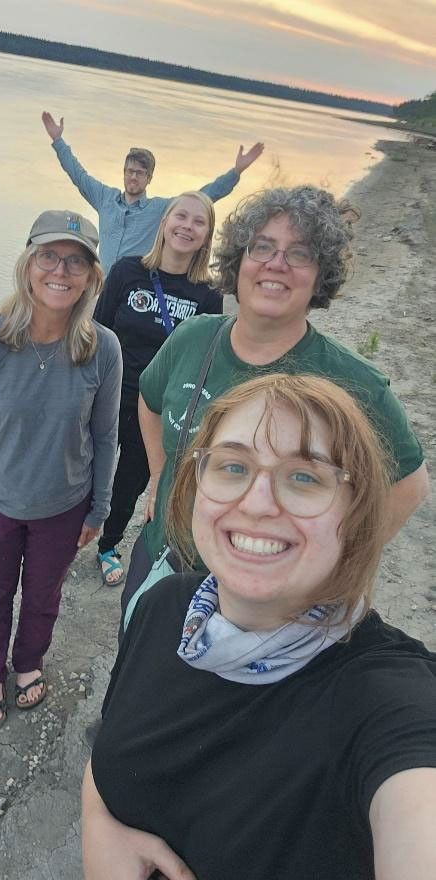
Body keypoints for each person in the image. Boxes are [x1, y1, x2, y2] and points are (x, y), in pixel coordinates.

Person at [83, 374, 436, 880]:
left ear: (356, 515)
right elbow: (115, 744)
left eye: (305, 477)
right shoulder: (166, 608)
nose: (256, 503)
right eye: (233, 466)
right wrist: (98, 819)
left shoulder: (385, 701)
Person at [122, 184, 428, 622]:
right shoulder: (193, 338)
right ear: (239, 261)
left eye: (299, 253)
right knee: (138, 657)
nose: (276, 264)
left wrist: (334, 565)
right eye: (262, 247)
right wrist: (158, 475)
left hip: (261, 601)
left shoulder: (350, 381)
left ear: (320, 276)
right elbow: (150, 401)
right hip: (162, 560)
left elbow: (409, 485)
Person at [0, 210, 122, 725]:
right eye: (49, 256)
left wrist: (100, 507)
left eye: (75, 262)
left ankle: (28, 663)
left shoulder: (103, 348)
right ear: (28, 264)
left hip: (64, 508)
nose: (60, 271)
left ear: (90, 277)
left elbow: (106, 436)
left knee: (44, 597)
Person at [93, 191, 222, 585]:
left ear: (206, 236)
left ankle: (108, 545)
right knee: (85, 473)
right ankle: (69, 537)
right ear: (164, 222)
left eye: (198, 222)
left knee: (130, 482)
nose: (187, 226)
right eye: (181, 216)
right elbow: (96, 332)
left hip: (155, 407)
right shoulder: (126, 272)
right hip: (107, 396)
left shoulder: (208, 295)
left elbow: (203, 360)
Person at [41, 111, 264, 273]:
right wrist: (58, 141)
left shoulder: (159, 209)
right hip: (100, 284)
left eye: (140, 173)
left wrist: (236, 172)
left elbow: (203, 196)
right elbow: (78, 175)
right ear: (123, 173)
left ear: (149, 178)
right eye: (130, 171)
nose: (133, 177)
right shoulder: (105, 198)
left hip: (133, 286)